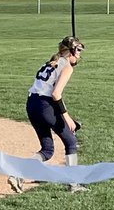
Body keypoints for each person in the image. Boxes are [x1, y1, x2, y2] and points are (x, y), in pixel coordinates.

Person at [7, 36, 86, 195]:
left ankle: (18, 174)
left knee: (47, 149)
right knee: (71, 141)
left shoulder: (51, 62)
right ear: (69, 51)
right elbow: (56, 94)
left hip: (32, 104)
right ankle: (74, 184)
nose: (79, 54)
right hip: (44, 105)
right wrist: (67, 117)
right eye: (77, 50)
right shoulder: (67, 67)